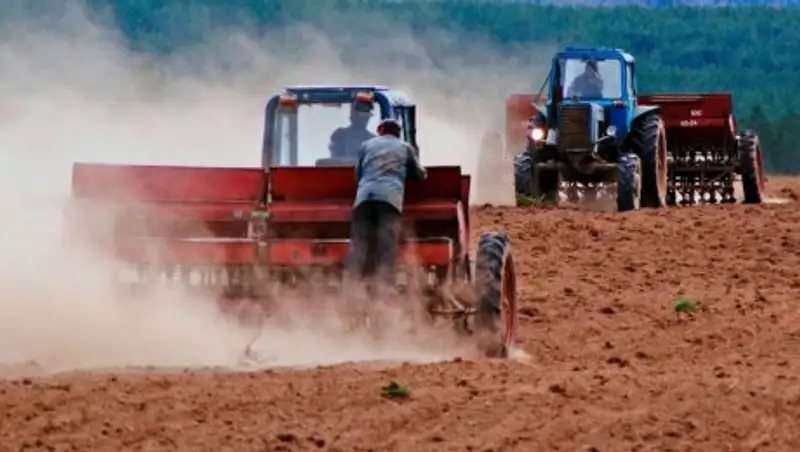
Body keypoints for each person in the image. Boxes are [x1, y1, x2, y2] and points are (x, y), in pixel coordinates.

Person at [345, 118, 427, 289]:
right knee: (386, 246)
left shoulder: (366, 145)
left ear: (380, 130)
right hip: (389, 200)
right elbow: (420, 175)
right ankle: (384, 290)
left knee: (359, 245)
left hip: (364, 199)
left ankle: (351, 288)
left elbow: (357, 175)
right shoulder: (405, 147)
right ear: (398, 132)